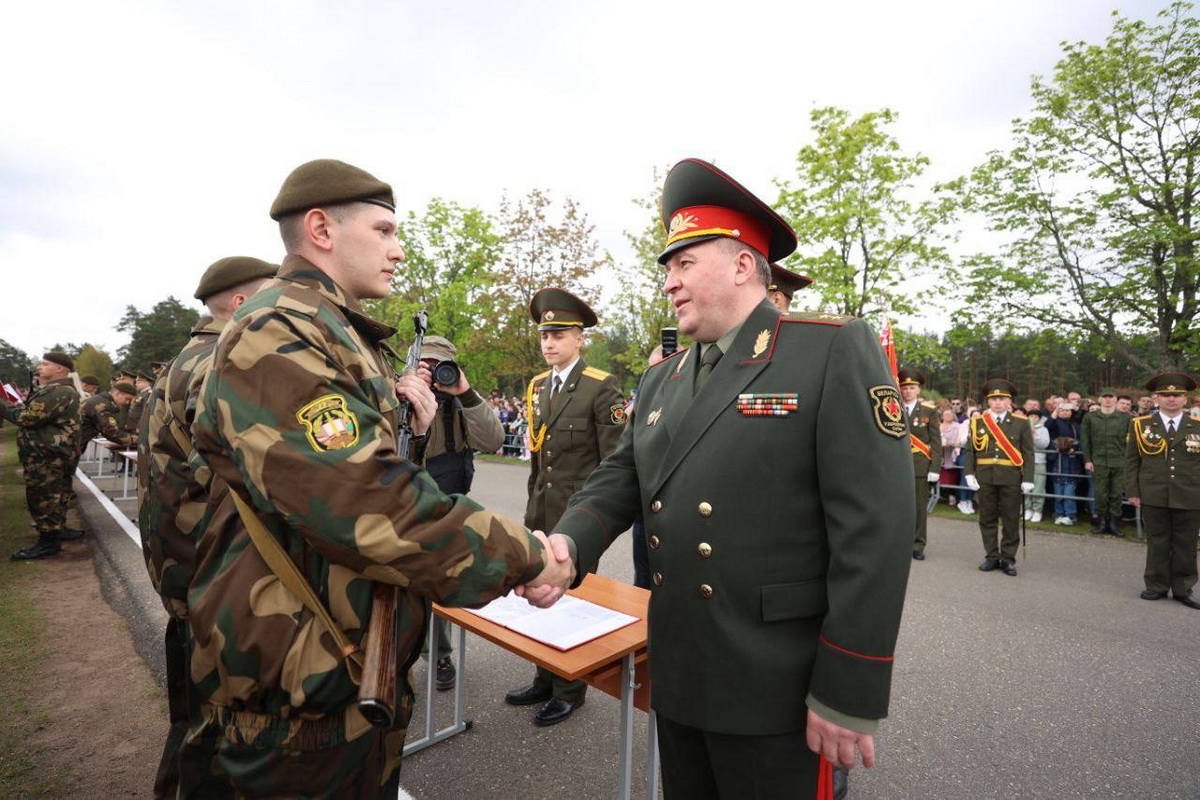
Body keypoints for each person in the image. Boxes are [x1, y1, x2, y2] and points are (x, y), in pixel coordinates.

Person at [521, 158, 913, 798]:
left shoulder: (828, 349)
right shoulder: (663, 377)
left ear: (741, 265)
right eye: (666, 268)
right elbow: (619, 475)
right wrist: (566, 548)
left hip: (776, 681)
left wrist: (850, 686)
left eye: (684, 264)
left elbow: (878, 530)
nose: (669, 284)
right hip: (681, 664)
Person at [187, 159, 571, 798]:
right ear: (321, 229)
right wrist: (529, 557)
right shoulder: (278, 329)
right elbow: (365, 502)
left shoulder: (329, 327)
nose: (397, 250)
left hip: (331, 653)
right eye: (384, 230)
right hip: (297, 673)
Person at [139, 255, 278, 799]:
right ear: (243, 304)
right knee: (217, 725)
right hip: (208, 568)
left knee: (194, 710)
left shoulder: (186, 358)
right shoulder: (219, 363)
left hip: (181, 560)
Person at [504, 286, 625, 727]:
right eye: (544, 336)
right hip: (541, 509)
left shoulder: (599, 387)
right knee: (537, 596)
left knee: (569, 599)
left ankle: (570, 688)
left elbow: (614, 461)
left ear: (579, 339)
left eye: (558, 334)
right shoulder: (538, 388)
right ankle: (544, 677)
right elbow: (539, 458)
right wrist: (532, 507)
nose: (549, 343)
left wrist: (588, 516)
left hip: (577, 514)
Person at [415, 334, 506, 692]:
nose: (436, 375)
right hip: (404, 504)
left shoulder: (460, 402)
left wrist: (465, 394)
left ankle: (439, 654)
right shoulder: (398, 395)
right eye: (428, 366)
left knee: (441, 580)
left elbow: (494, 441)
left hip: (448, 508)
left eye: (443, 367)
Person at [1126, 373, 1200, 610]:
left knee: (1186, 543)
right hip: (1153, 491)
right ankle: (1156, 585)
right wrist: (1133, 491)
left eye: (1177, 395)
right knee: (1157, 541)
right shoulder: (1140, 424)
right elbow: (1132, 462)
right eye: (1166, 395)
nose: (1171, 399)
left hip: (1190, 493)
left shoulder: (1197, 426)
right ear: (1156, 398)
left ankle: (1183, 588)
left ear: (1185, 399)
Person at [2, 352, 81, 560]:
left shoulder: (59, 391)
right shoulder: (56, 390)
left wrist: (3, 406)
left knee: (43, 497)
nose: (40, 366)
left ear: (59, 369)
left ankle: (48, 543)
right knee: (56, 494)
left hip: (46, 456)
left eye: (45, 364)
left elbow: (28, 418)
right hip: (50, 454)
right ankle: (57, 530)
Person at [964, 378, 1034, 576]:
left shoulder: (1020, 423)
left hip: (1011, 477)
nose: (998, 403)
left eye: (1002, 399)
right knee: (987, 519)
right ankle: (992, 556)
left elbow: (1028, 452)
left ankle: (1008, 559)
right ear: (988, 401)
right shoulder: (977, 422)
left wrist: (1028, 477)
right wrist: (969, 473)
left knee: (1011, 520)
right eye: (993, 399)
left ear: (1009, 401)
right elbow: (970, 450)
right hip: (985, 477)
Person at [899, 367, 940, 560]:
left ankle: (917, 544)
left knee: (918, 508)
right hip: (896, 466)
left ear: (918, 389)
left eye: (912, 387)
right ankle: (899, 542)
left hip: (919, 464)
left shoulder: (928, 411)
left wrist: (934, 468)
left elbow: (936, 441)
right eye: (904, 387)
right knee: (897, 507)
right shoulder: (892, 408)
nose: (907, 391)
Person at [1081, 388, 1132, 537]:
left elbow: (1130, 442)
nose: (1108, 400)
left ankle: (1114, 524)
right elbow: (1085, 440)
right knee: (1100, 494)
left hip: (1119, 461)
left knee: (1116, 494)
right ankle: (1102, 523)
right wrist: (1087, 460)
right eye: (1105, 397)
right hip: (1099, 461)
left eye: (1111, 397)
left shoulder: (1126, 418)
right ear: (1100, 399)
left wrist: (1129, 460)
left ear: (1115, 400)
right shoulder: (1090, 418)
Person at [1044, 402, 1084, 525]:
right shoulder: (1054, 422)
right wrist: (1055, 411)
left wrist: (1075, 449)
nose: (1065, 412)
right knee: (1058, 490)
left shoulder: (1076, 425)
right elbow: (1048, 425)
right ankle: (1058, 514)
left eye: (1067, 410)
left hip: (1072, 461)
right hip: (1057, 459)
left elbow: (1081, 441)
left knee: (1069, 491)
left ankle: (1070, 515)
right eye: (1062, 410)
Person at [1024, 408, 1050, 523]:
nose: (1033, 419)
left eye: (1036, 417)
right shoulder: (1023, 429)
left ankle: (1037, 510)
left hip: (1039, 462)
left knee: (1038, 487)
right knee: (1025, 486)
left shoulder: (1044, 429)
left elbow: (1044, 445)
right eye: (1031, 416)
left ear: (1039, 419)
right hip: (1025, 462)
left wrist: (1034, 435)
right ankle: (1027, 508)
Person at [939, 408, 964, 505]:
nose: (948, 416)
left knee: (951, 475)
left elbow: (960, 438)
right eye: (946, 414)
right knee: (941, 475)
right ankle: (941, 495)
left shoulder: (957, 426)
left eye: (950, 415)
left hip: (952, 454)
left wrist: (952, 443)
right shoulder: (939, 426)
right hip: (941, 453)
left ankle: (952, 496)